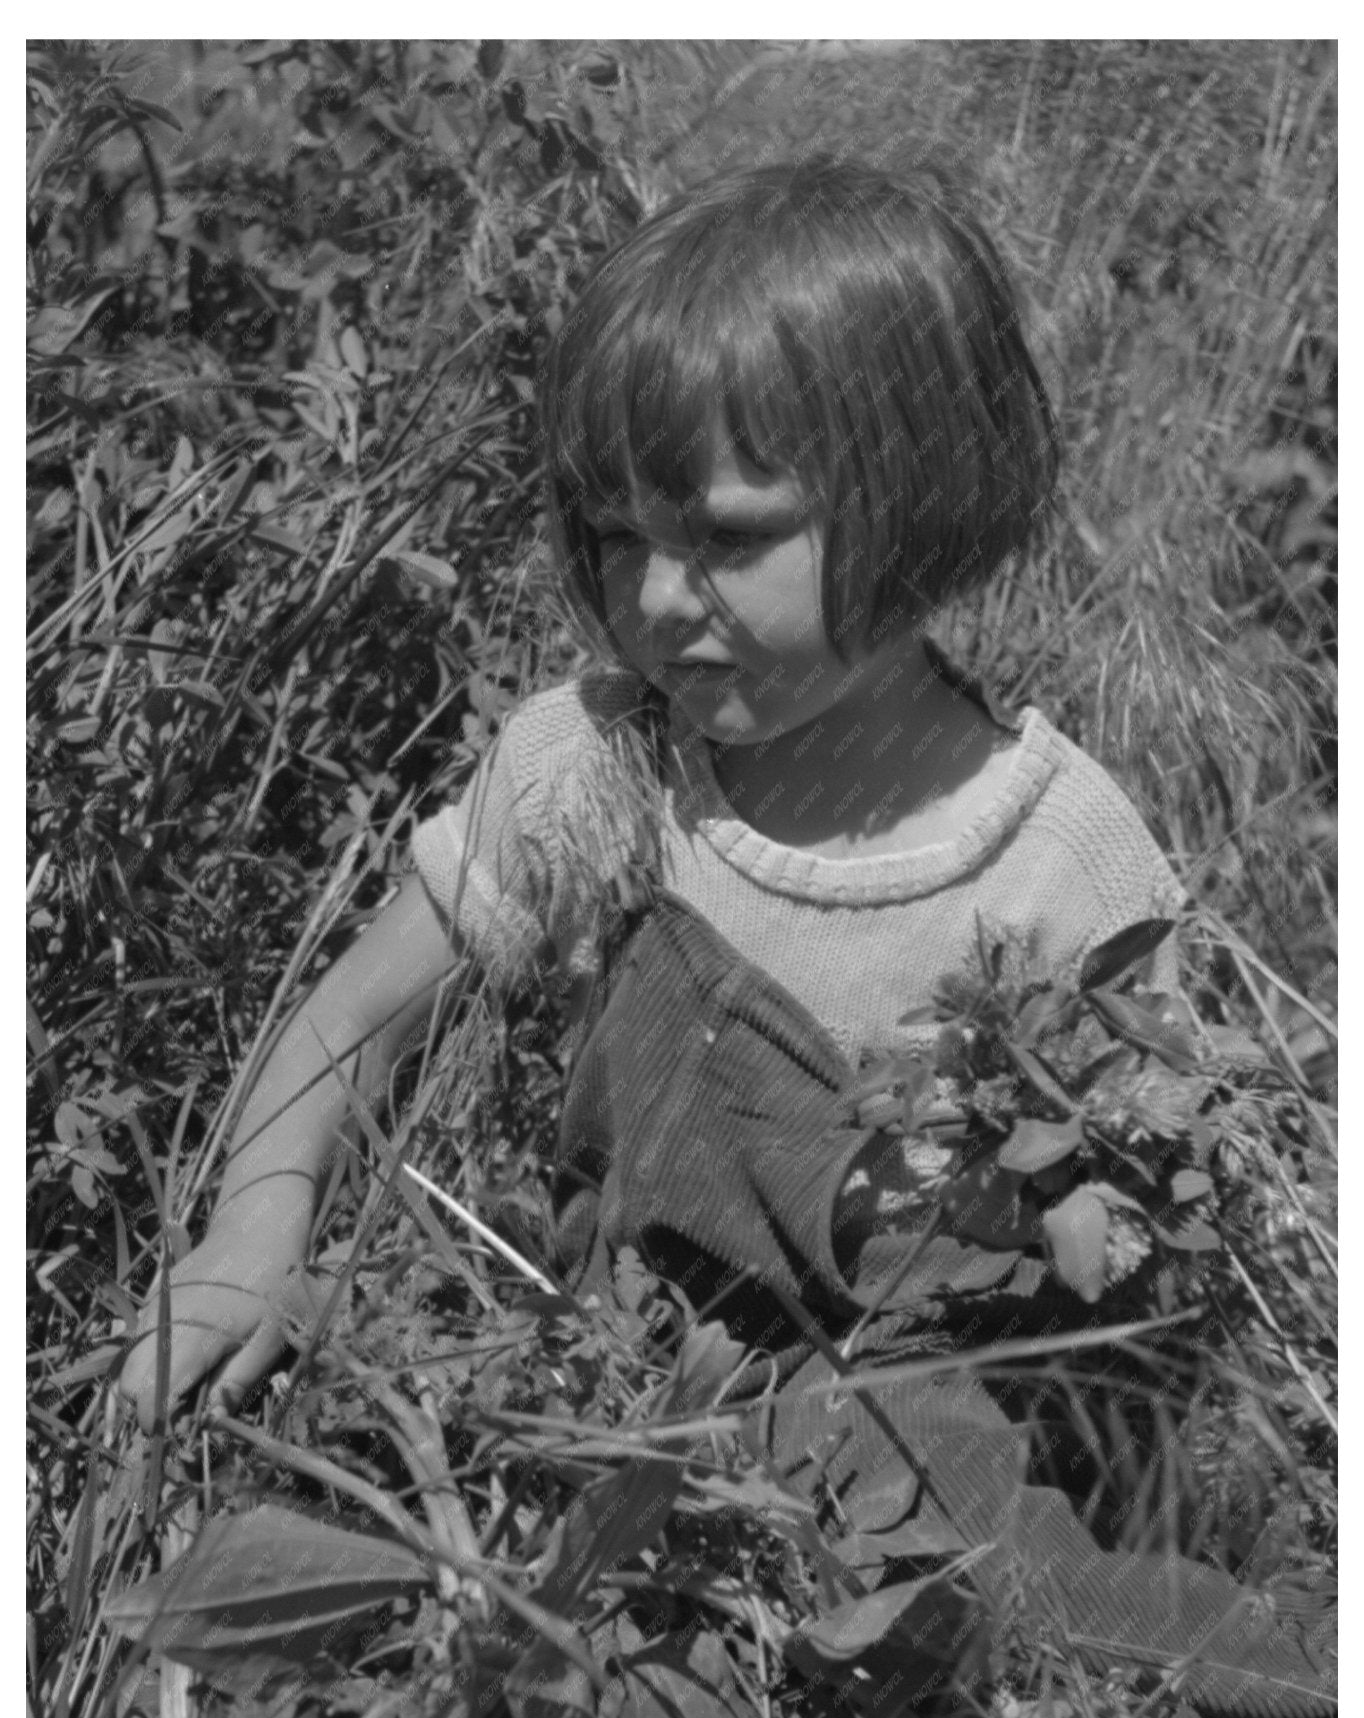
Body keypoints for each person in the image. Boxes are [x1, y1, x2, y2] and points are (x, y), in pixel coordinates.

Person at [121, 155, 1185, 1430]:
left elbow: (1146, 1272)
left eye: (730, 536)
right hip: (589, 1401)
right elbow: (344, 1025)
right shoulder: (592, 770)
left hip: (906, 1500)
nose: (661, 599)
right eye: (620, 536)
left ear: (928, 501)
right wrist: (256, 1223)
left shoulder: (1068, 871)